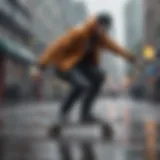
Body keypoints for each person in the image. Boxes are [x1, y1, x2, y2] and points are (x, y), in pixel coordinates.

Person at [38, 12, 136, 123]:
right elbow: (57, 46)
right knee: (81, 85)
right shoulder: (79, 32)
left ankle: (85, 114)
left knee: (100, 76)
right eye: (104, 27)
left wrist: (130, 57)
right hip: (65, 66)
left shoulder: (101, 38)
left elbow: (115, 47)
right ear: (98, 24)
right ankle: (63, 113)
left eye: (107, 29)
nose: (105, 31)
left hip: (82, 68)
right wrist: (43, 62)